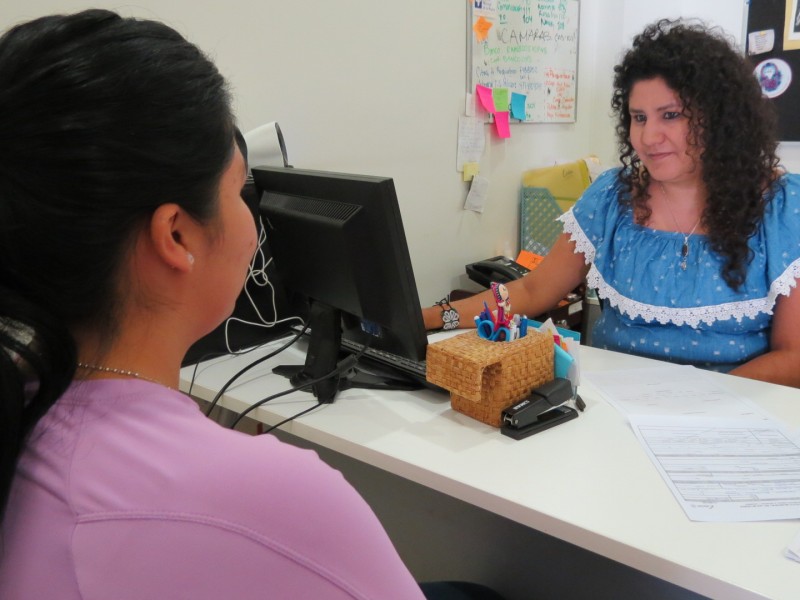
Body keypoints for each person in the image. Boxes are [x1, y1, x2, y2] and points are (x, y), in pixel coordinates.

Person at [0, 10, 505, 600]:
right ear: (177, 236)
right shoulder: (279, 496)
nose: (252, 223)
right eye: (240, 190)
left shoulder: (24, 411)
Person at [424, 19, 800, 388]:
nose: (649, 136)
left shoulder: (782, 208)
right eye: (639, 117)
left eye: (670, 115)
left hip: (730, 418)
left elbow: (792, 357)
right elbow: (533, 291)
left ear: (719, 118)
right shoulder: (611, 196)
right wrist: (429, 317)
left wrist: (691, 404)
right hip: (613, 415)